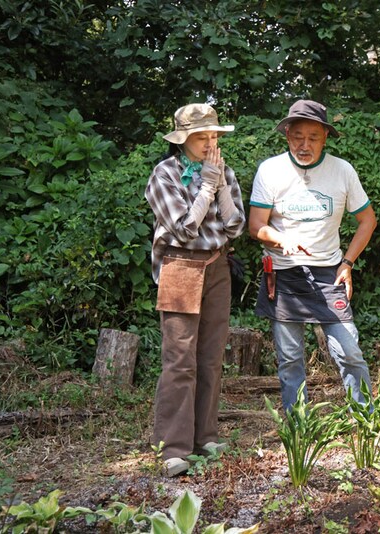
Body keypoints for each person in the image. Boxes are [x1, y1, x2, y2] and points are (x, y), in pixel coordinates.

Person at [249, 99, 377, 411]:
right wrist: (281, 240)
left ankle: (366, 418)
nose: (305, 145)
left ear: (325, 138)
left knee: (349, 350)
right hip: (282, 274)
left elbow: (368, 220)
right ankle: (298, 425)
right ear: (287, 134)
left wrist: (347, 263)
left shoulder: (342, 171)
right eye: (298, 137)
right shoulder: (270, 170)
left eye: (313, 138)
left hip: (328, 273)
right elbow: (256, 226)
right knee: (290, 358)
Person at [145, 103, 246, 477]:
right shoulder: (163, 175)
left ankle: (205, 436)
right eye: (201, 136)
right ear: (183, 139)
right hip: (180, 266)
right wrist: (205, 187)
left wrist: (218, 185)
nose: (209, 142)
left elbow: (235, 227)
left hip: (217, 265)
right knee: (179, 359)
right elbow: (184, 229)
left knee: (211, 356)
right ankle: (173, 448)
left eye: (214, 136)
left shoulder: (225, 171)